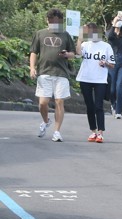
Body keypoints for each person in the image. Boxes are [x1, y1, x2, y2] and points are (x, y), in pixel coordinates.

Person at [30, 8, 76, 142]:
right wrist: (32, 67)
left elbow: (73, 54)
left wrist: (67, 55)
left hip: (62, 73)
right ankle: (46, 121)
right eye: (52, 22)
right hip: (44, 71)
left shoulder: (65, 35)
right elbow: (33, 52)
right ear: (47, 21)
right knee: (43, 103)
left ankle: (57, 131)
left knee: (59, 101)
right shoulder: (40, 34)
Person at [76, 23, 115, 143]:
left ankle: (100, 132)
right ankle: (93, 131)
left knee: (99, 106)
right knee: (89, 106)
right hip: (85, 78)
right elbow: (77, 54)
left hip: (100, 79)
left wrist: (105, 63)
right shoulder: (85, 44)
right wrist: (80, 38)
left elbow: (113, 65)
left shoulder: (106, 46)